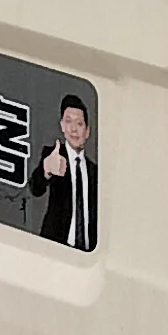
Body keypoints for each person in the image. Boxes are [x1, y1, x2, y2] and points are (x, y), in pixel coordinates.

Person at [36, 100, 96, 252]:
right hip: (56, 248)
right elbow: (34, 188)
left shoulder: (94, 171)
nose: (73, 129)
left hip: (88, 252)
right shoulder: (52, 156)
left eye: (79, 123)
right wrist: (46, 170)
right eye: (68, 121)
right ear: (62, 125)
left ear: (87, 131)